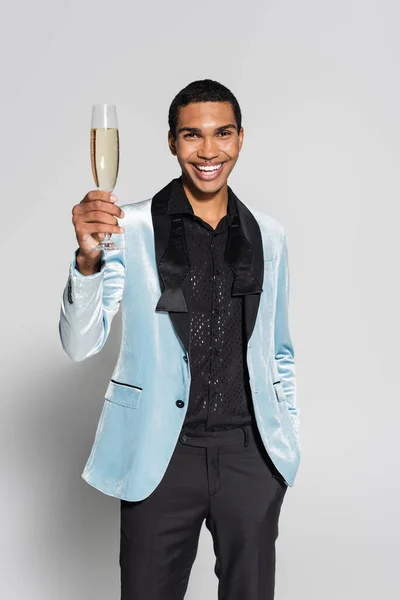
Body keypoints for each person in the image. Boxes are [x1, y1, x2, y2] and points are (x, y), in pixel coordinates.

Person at [59, 78, 301, 600]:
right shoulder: (129, 228)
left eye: (223, 134)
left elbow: (279, 352)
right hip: (161, 458)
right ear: (172, 142)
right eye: (192, 135)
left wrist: (283, 451)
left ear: (240, 139)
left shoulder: (270, 235)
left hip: (250, 459)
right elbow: (80, 344)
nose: (208, 151)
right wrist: (86, 260)